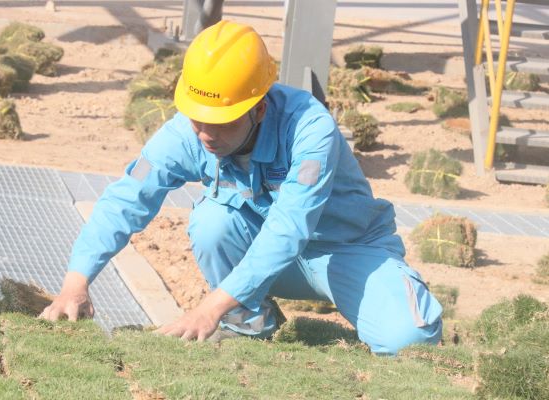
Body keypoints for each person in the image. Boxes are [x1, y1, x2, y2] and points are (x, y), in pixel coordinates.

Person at [40, 20, 443, 355]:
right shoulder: (187, 132)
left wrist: (209, 307)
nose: (206, 134)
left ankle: (234, 307)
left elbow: (290, 228)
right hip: (267, 259)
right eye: (197, 118)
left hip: (345, 251)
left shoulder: (310, 128)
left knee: (409, 341)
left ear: (259, 109)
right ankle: (250, 326)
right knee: (212, 223)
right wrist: (76, 283)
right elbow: (128, 197)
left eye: (222, 122)